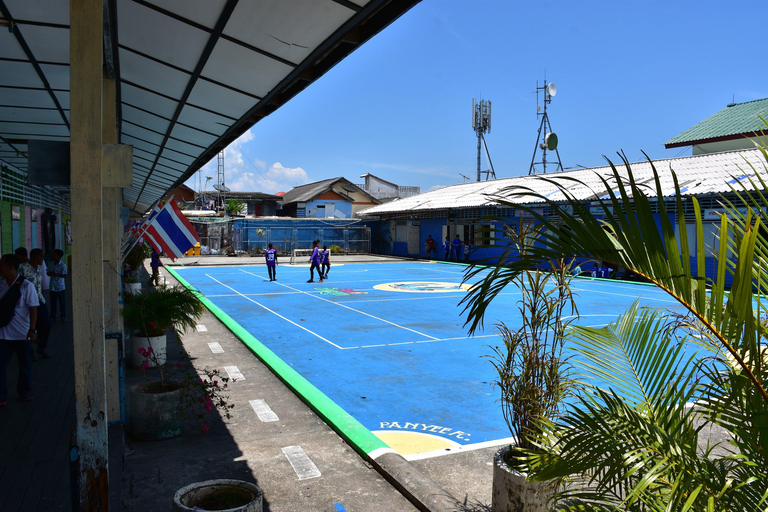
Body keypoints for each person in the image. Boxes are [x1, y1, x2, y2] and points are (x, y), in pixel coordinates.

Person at [0, 254, 39, 405]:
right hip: (3, 335)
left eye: (1, 265)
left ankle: (24, 392)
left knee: (24, 365)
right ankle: (2, 396)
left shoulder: (26, 286)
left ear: (10, 267)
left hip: (22, 335)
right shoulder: (1, 285)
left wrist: (32, 330)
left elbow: (33, 310)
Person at [17, 248, 51, 359]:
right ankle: (29, 352)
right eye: (42, 256)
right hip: (27, 302)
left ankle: (41, 347)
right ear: (36, 256)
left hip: (39, 299)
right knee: (29, 327)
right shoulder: (23, 268)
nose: (43, 258)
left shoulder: (40, 267)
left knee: (47, 323)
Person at [48, 249, 67, 321]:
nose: (53, 256)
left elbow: (65, 275)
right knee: (53, 303)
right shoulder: (50, 264)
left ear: (59, 257)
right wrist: (51, 273)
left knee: (62, 303)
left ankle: (63, 316)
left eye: (55, 255)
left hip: (60, 287)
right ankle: (53, 316)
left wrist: (56, 274)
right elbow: (48, 273)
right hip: (52, 287)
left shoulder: (63, 265)